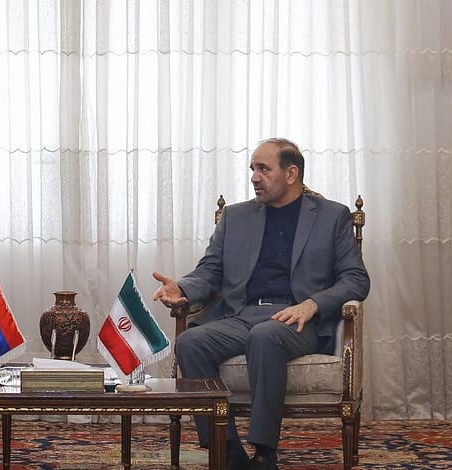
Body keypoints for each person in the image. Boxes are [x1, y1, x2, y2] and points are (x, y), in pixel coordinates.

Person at [152, 138, 370, 470]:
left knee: (265, 335)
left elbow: (356, 279)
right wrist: (181, 287)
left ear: (291, 173)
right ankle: (229, 452)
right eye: (253, 169)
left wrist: (313, 304)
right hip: (242, 315)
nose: (254, 177)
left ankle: (265, 453)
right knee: (190, 342)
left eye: (264, 169)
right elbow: (210, 271)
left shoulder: (331, 216)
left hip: (298, 320)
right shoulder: (236, 217)